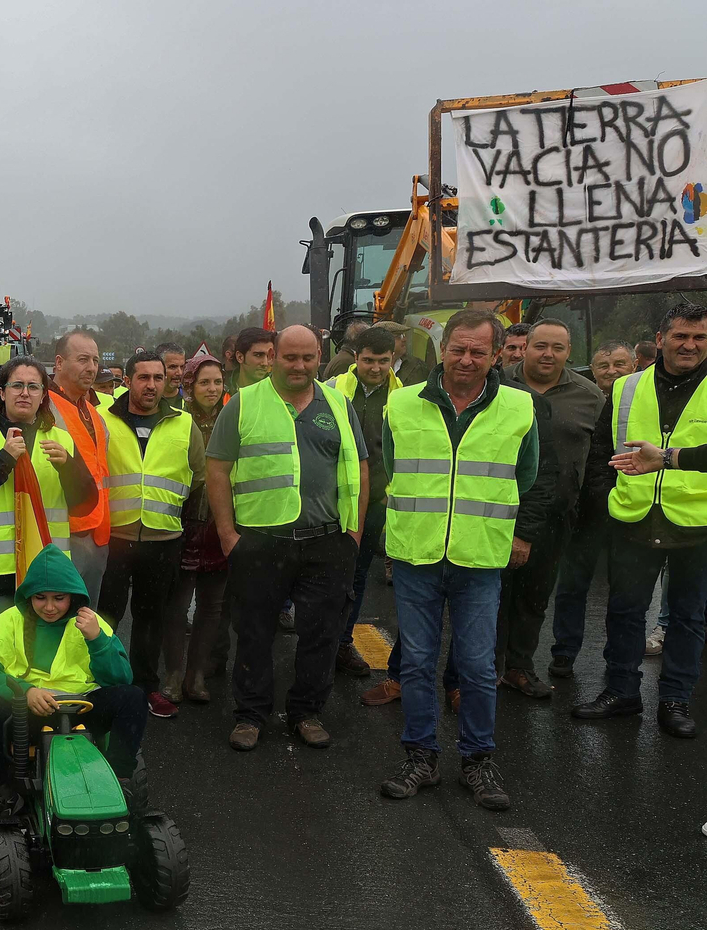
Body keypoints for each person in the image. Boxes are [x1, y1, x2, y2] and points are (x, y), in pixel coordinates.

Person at [378, 310, 550, 811]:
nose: (467, 360)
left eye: (478, 351)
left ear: (497, 354)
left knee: (476, 666)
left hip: (479, 556)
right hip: (416, 553)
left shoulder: (521, 407)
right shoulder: (401, 404)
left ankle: (477, 759)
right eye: (458, 349)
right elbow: (393, 467)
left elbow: (528, 476)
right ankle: (421, 756)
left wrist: (515, 535)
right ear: (442, 348)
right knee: (416, 662)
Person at [206, 325, 368, 752]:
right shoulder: (242, 405)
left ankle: (307, 712)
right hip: (260, 541)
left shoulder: (338, 404)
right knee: (255, 632)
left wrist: (354, 532)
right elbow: (217, 469)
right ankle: (251, 715)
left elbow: (360, 468)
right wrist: (227, 535)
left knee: (321, 633)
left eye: (308, 358)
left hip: (327, 541)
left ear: (321, 357)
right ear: (273, 356)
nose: (299, 366)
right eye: (290, 357)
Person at [575, 302, 707, 739]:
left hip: (697, 525)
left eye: (699, 337)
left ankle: (674, 699)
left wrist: (669, 460)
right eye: (681, 336)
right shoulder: (627, 387)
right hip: (631, 519)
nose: (689, 345)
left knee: (688, 618)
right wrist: (605, 499)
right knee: (625, 612)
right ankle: (621, 692)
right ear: (661, 338)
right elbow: (600, 454)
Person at [0, 544, 143, 820]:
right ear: (29, 597)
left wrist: (97, 640)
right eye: (40, 598)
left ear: (72, 596)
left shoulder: (90, 623)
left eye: (59, 598)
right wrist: (25, 692)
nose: (49, 607)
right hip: (26, 712)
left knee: (133, 697)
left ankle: (119, 781)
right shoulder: (10, 620)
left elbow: (120, 677)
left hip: (82, 709)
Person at [0, 356, 99, 643]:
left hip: (44, 582)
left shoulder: (61, 441)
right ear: (2, 393)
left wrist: (69, 468)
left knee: (38, 673)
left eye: (33, 386)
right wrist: (0, 464)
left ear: (44, 395)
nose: (25, 393)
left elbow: (85, 504)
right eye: (17, 385)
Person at [97, 351, 205, 718]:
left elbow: (198, 476)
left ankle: (146, 686)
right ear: (127, 380)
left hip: (163, 539)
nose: (152, 385)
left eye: (158, 378)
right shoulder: (102, 420)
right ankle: (105, 686)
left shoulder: (183, 424)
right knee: (104, 617)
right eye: (143, 378)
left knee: (150, 618)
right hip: (112, 538)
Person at [496, 319, 599, 698]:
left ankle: (519, 667)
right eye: (541, 345)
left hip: (556, 516)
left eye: (558, 347)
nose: (548, 354)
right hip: (496, 511)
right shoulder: (497, 385)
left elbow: (599, 458)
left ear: (568, 351)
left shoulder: (589, 396)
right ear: (525, 347)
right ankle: (481, 671)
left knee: (534, 597)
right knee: (489, 596)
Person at [550, 342, 636, 676]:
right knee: (572, 586)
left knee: (626, 593)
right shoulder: (583, 398)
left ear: (634, 365)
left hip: (630, 511)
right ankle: (564, 652)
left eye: (620, 364)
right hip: (584, 510)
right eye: (604, 365)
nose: (612, 371)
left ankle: (619, 661)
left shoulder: (643, 400)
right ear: (593, 369)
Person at [331, 327, 399, 676]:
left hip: (374, 502)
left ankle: (342, 643)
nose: (375, 368)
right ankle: (321, 642)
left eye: (383, 361)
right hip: (330, 498)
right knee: (325, 575)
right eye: (368, 360)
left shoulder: (404, 398)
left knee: (356, 576)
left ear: (393, 360)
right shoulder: (333, 390)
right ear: (355, 357)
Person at [166, 346, 228, 704]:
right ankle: (173, 676)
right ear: (189, 384)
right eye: (204, 381)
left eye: (218, 381)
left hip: (220, 523)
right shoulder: (176, 417)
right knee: (177, 604)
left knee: (212, 605)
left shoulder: (232, 417)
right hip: (184, 522)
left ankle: (197, 675)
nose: (212, 388)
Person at [47, 330, 113, 604]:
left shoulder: (92, 412)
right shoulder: (44, 408)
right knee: (58, 621)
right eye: (83, 359)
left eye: (95, 360)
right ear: (59, 363)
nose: (92, 368)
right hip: (62, 536)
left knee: (87, 620)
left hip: (97, 535)